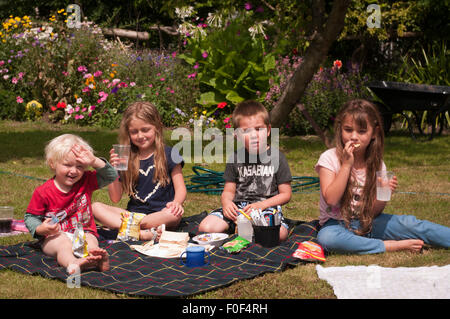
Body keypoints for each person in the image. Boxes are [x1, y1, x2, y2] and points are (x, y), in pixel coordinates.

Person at [315, 99, 450, 254]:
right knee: (327, 238)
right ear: (340, 129)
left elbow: (373, 213)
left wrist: (383, 195)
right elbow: (331, 200)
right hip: (336, 224)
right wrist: (346, 165)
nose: (354, 137)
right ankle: (389, 246)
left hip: (368, 222)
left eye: (361, 131)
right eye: (348, 130)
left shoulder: (377, 164)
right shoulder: (329, 158)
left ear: (374, 133)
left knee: (410, 223)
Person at [198, 100, 292, 242]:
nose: (254, 135)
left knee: (279, 235)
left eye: (258, 129)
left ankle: (249, 229)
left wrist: (262, 205)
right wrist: (226, 204)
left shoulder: (277, 157)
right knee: (206, 227)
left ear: (268, 130)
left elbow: (286, 194)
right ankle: (240, 227)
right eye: (246, 131)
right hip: (238, 209)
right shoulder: (235, 158)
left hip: (265, 208)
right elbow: (228, 191)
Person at [92, 101, 186, 241]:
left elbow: (181, 189)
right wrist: (112, 170)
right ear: (128, 132)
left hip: (161, 214)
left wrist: (176, 203)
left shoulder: (170, 154)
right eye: (134, 132)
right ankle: (142, 233)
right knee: (95, 207)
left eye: (145, 130)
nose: (140, 136)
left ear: (157, 127)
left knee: (173, 215)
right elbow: (116, 198)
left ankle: (129, 229)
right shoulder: (125, 156)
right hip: (133, 215)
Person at [25, 134, 118, 273]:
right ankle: (73, 263)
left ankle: (97, 259)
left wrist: (94, 161)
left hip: (84, 231)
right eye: (67, 165)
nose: (73, 171)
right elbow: (31, 217)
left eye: (80, 166)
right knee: (63, 245)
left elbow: (111, 176)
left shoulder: (86, 181)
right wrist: (40, 229)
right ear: (52, 163)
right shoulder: (43, 192)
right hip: (55, 235)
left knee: (91, 241)